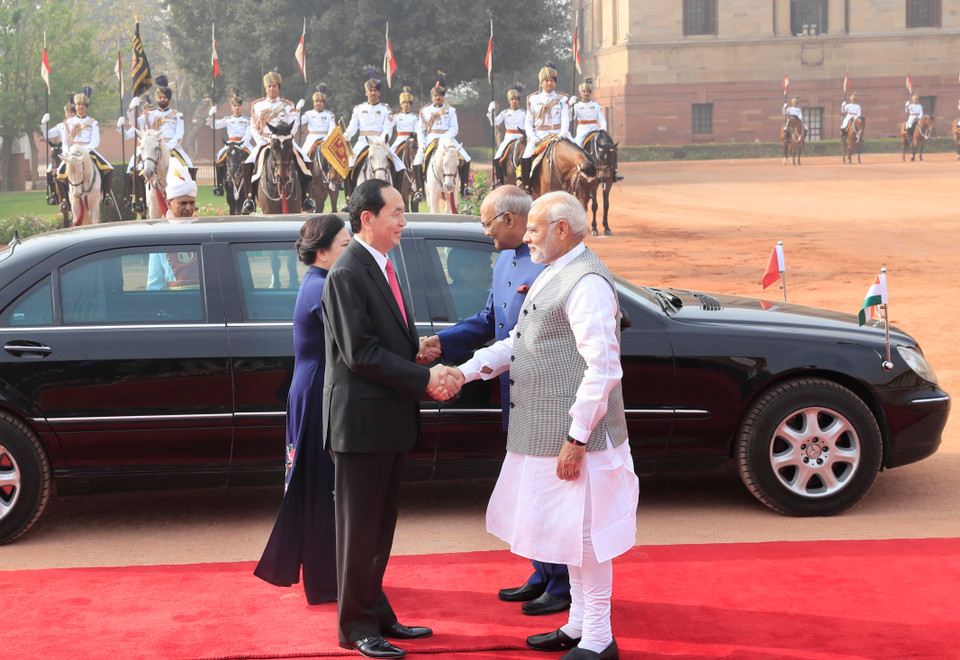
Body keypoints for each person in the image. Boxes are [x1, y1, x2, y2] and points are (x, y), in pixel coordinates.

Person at [444, 190, 639, 660]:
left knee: (587, 538)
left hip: (580, 441)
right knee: (567, 534)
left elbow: (604, 370)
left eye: (533, 228)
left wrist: (576, 438)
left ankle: (598, 639)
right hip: (546, 434)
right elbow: (519, 341)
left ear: (562, 230)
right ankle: (577, 626)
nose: (525, 237)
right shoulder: (557, 269)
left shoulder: (586, 282)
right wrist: (464, 371)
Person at [417, 185, 573, 617]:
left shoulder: (550, 262)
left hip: (546, 396)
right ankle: (543, 571)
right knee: (527, 487)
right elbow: (489, 320)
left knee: (548, 490)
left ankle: (562, 583)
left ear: (510, 219)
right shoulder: (505, 258)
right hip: (514, 392)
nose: (485, 233)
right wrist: (441, 343)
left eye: (486, 223)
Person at [321, 179, 458, 660]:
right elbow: (360, 353)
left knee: (380, 529)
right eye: (396, 212)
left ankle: (376, 611)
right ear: (367, 219)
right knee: (359, 531)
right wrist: (425, 380)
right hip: (361, 426)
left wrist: (415, 352)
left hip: (388, 420)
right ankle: (355, 627)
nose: (404, 221)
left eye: (404, 212)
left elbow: (382, 344)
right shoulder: (347, 272)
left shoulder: (381, 265)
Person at [253, 213, 352, 605]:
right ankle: (326, 583)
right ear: (324, 251)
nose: (351, 252)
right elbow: (354, 345)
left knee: (318, 487)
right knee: (320, 490)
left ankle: (328, 577)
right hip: (315, 397)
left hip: (311, 390)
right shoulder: (323, 287)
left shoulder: (318, 282)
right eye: (346, 245)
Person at [241, 69, 316, 214]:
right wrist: (261, 141)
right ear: (265, 88)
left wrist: (286, 138)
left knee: (305, 161)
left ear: (278, 88)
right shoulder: (257, 105)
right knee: (249, 162)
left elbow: (293, 126)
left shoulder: (287, 105)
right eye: (269, 86)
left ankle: (307, 198)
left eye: (274, 86)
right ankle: (249, 198)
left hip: (285, 140)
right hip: (264, 140)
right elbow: (253, 126)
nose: (271, 89)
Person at [343, 69, 404, 201]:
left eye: (375, 90)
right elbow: (353, 127)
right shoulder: (358, 109)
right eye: (370, 90)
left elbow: (388, 129)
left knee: (399, 165)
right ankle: (350, 198)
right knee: (349, 164)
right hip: (363, 142)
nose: (373, 93)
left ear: (379, 92)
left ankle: (398, 196)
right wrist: (346, 135)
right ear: (366, 93)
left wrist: (381, 141)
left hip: (381, 143)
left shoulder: (385, 109)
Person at [412, 72, 472, 202]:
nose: (438, 97)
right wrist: (422, 144)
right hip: (430, 139)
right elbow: (420, 130)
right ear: (432, 97)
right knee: (417, 161)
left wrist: (444, 139)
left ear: (443, 97)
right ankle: (420, 191)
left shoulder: (450, 110)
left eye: (440, 95)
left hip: (447, 139)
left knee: (466, 158)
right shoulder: (425, 110)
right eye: (435, 95)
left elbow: (454, 128)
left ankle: (465, 188)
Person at [129, 76, 196, 181]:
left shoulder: (177, 115)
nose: (162, 99)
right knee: (132, 165)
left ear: (168, 99)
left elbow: (179, 135)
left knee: (188, 164)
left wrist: (167, 146)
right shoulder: (149, 113)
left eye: (165, 97)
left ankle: (190, 191)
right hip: (152, 146)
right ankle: (137, 195)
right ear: (157, 98)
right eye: (160, 97)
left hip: (171, 146)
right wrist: (132, 110)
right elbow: (134, 124)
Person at [58, 86, 115, 207]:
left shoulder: (92, 122)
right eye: (78, 105)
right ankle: (64, 201)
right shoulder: (68, 122)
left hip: (88, 151)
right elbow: (65, 141)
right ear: (75, 106)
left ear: (86, 107)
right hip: (72, 151)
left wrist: (84, 151)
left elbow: (95, 141)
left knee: (108, 168)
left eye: (83, 105)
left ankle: (106, 196)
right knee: (59, 172)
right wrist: (67, 153)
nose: (80, 107)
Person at [147, 162, 200, 290]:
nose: (188, 208)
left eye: (191, 203)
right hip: (174, 306)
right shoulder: (160, 238)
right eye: (183, 203)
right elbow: (155, 285)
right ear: (169, 204)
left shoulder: (203, 231)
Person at [521, 63, 571, 193]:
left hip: (558, 134)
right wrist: (532, 136)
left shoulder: (562, 99)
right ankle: (527, 185)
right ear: (541, 83)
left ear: (555, 83)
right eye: (547, 81)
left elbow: (565, 120)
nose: (549, 83)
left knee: (580, 151)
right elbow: (528, 122)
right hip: (540, 136)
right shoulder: (533, 99)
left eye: (552, 80)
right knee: (526, 155)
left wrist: (563, 134)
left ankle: (580, 183)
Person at [208, 87, 255, 196]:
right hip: (230, 143)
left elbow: (249, 134)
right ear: (231, 108)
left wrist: (241, 144)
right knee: (219, 158)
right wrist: (211, 115)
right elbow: (213, 125)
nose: (237, 107)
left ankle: (254, 185)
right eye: (235, 106)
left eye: (238, 106)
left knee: (255, 158)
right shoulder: (228, 119)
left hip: (244, 144)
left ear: (241, 107)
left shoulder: (247, 120)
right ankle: (219, 186)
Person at [40, 94, 76, 210]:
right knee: (51, 171)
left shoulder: (80, 123)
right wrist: (44, 124)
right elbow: (47, 135)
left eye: (71, 112)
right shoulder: (60, 126)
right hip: (65, 153)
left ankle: (105, 193)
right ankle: (57, 197)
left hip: (79, 151)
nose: (69, 114)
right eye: (67, 112)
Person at [488, 83, 526, 187]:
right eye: (512, 99)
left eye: (516, 99)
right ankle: (499, 181)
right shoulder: (504, 113)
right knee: (497, 157)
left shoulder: (524, 113)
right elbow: (494, 122)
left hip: (521, 137)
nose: (514, 101)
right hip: (509, 138)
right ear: (509, 101)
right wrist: (490, 112)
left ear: (519, 101)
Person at [388, 86, 419, 190]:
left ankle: (420, 183)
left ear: (410, 105)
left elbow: (416, 131)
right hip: (399, 140)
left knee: (419, 158)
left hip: (411, 140)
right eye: (404, 103)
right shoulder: (396, 116)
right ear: (401, 104)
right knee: (389, 157)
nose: (406, 105)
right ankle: (391, 180)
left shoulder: (415, 117)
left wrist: (413, 139)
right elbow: (389, 126)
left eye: (408, 103)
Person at [298, 83, 336, 165]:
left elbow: (332, 128)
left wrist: (327, 138)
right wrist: (297, 110)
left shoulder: (330, 115)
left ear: (324, 103)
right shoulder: (309, 114)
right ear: (313, 103)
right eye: (316, 101)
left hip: (325, 139)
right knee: (302, 156)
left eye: (321, 102)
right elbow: (298, 122)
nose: (318, 103)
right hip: (312, 139)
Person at [569, 78, 608, 148]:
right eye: (584, 92)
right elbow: (570, 118)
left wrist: (603, 127)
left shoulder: (596, 105)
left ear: (590, 93)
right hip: (582, 130)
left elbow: (601, 118)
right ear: (580, 93)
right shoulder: (577, 106)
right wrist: (570, 106)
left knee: (605, 145)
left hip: (594, 129)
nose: (586, 93)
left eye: (588, 92)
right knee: (576, 146)